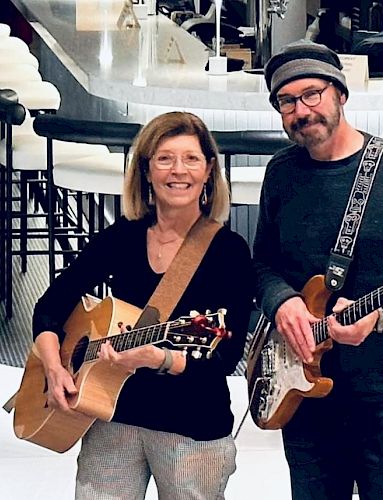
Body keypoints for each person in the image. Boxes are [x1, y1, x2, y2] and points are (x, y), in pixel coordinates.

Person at [253, 39, 383, 499]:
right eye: (286, 101)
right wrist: (282, 302)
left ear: (340, 94)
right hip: (302, 388)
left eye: (312, 94)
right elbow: (262, 264)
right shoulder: (281, 172)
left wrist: (381, 317)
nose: (301, 110)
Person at [32, 111, 254, 499]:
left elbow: (225, 354)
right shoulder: (123, 237)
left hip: (192, 426)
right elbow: (50, 305)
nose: (178, 170)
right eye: (165, 158)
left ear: (209, 171)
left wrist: (160, 359)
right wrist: (54, 368)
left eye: (191, 159)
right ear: (146, 171)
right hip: (111, 413)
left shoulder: (229, 252)